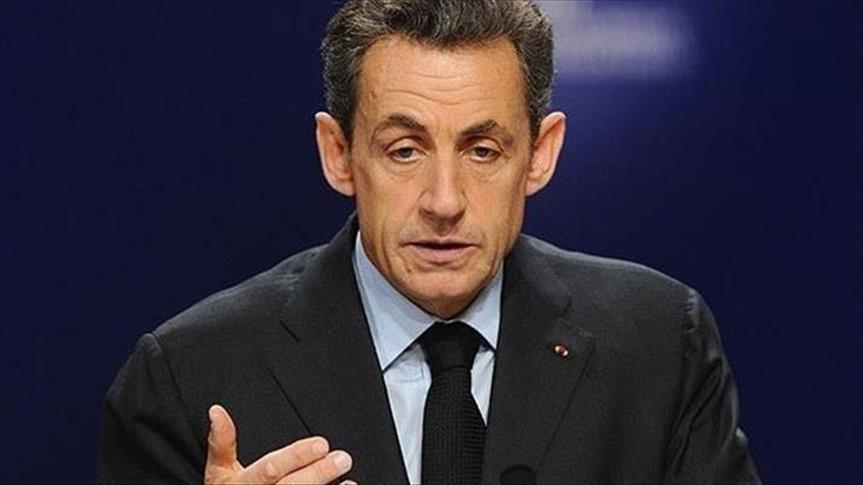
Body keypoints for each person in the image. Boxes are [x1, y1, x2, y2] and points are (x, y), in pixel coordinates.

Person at [98, 0, 761, 483]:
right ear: (338, 153)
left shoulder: (657, 346)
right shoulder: (189, 378)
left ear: (540, 154)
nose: (444, 201)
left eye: (482, 149)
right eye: (404, 149)